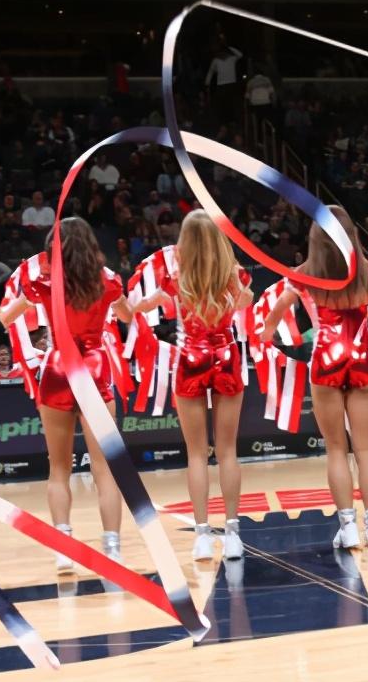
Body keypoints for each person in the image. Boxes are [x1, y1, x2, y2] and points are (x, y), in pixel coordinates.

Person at [0, 218, 135, 571]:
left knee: (58, 469)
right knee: (105, 469)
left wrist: (9, 307)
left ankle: (63, 548)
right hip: (94, 366)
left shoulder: (44, 283)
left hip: (58, 367)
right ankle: (113, 548)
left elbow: (5, 317)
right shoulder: (108, 281)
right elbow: (127, 315)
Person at [263, 207, 368, 549]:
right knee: (366, 448)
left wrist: (266, 332)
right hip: (362, 355)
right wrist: (366, 311)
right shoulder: (366, 270)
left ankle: (348, 527)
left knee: (336, 449)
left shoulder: (306, 273)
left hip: (326, 359)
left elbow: (279, 309)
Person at [132, 211, 254, 560]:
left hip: (190, 359)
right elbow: (247, 301)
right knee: (228, 451)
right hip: (226, 356)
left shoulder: (176, 279)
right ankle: (232, 533)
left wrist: (135, 303)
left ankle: (201, 536)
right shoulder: (235, 276)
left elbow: (141, 307)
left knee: (197, 454)